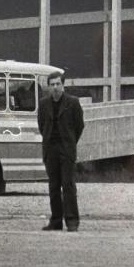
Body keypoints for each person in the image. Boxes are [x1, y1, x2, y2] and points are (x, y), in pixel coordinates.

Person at [37, 73, 85, 232]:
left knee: (68, 185)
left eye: (58, 84)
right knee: (53, 186)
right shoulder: (43, 104)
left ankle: (72, 221)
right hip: (50, 149)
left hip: (67, 150)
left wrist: (70, 142)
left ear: (63, 85)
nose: (55, 87)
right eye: (52, 84)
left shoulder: (73, 103)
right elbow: (41, 126)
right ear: (49, 87)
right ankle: (56, 221)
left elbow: (79, 126)